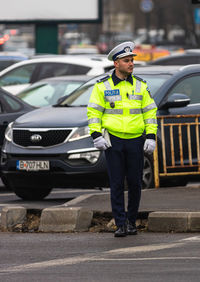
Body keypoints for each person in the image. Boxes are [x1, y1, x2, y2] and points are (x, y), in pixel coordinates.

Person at [87, 41, 157, 237]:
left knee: (135, 183)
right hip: (113, 140)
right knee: (117, 183)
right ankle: (120, 224)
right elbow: (94, 112)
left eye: (132, 60)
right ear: (116, 63)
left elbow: (150, 112)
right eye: (127, 61)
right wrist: (96, 135)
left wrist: (151, 136)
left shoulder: (141, 85)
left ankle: (132, 221)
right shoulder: (102, 86)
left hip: (136, 139)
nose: (131, 64)